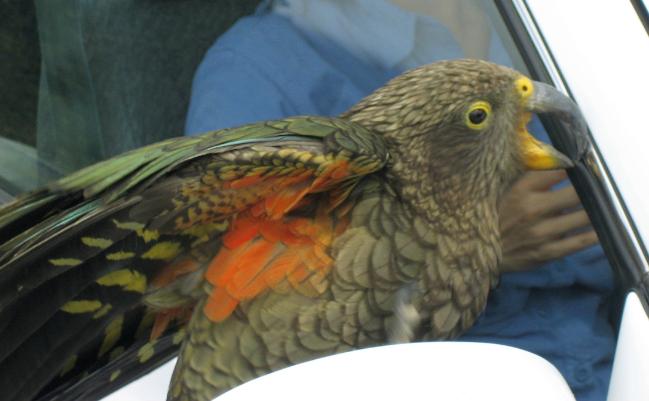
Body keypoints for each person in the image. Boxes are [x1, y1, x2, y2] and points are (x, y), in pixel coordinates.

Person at [184, 1, 615, 400]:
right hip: (461, 379)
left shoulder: (554, 18)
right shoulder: (250, 73)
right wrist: (471, 245)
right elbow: (259, 324)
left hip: (613, 343)